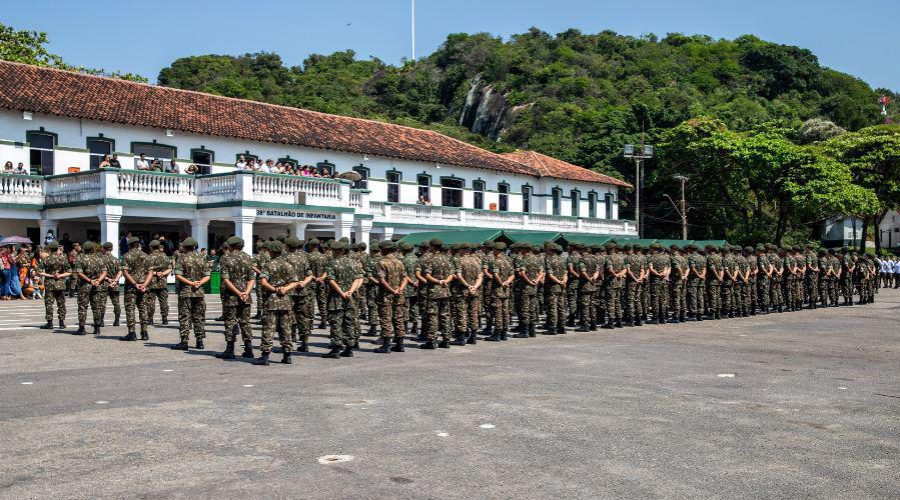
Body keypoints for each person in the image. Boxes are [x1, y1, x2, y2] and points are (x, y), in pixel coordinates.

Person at [252, 240, 298, 365]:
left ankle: (265, 356)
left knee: (268, 329)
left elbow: (263, 282)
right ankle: (287, 355)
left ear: (271, 251)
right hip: (285, 301)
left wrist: (275, 289)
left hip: (272, 301)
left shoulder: (268, 265)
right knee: (286, 329)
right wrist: (285, 289)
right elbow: (295, 282)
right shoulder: (288, 265)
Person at [216, 236, 256, 360]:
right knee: (245, 322)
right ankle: (248, 349)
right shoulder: (248, 258)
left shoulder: (226, 258)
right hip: (245, 295)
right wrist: (246, 292)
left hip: (231, 296)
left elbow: (225, 279)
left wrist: (238, 292)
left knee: (230, 322)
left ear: (231, 246)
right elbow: (252, 278)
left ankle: (230, 350)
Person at [322, 241, 364, 358]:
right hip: (350, 298)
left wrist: (341, 293)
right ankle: (349, 348)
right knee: (349, 322)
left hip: (336, 298)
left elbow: (331, 280)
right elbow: (358, 279)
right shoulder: (354, 263)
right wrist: (350, 291)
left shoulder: (332, 263)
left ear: (337, 251)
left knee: (336, 323)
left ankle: (336, 349)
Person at [171, 237, 210, 351]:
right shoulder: (202, 258)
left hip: (186, 292)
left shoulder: (182, 258)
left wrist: (190, 283)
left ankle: (184, 341)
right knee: (199, 317)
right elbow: (207, 275)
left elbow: (178, 275)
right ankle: (199, 341)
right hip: (199, 292)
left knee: (184, 316)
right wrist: (198, 283)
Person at [73, 241, 107, 336]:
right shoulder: (99, 258)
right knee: (96, 307)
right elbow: (104, 272)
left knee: (83, 307)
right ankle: (97, 328)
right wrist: (98, 281)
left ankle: (82, 328)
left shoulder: (80, 258)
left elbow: (79, 273)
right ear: (92, 248)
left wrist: (89, 280)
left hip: (84, 286)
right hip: (97, 285)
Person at [121, 237, 150, 341]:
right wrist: (144, 284)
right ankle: (144, 332)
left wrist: (135, 284)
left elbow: (125, 272)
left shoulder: (126, 256)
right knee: (143, 308)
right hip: (143, 286)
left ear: (129, 245)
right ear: (138, 245)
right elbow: (150, 273)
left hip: (131, 287)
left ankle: (132, 333)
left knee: (130, 309)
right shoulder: (146, 256)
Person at [37, 241, 69, 329]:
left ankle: (50, 323)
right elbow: (69, 272)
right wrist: (60, 275)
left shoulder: (46, 259)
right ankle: (61, 323)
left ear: (49, 249)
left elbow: (39, 271)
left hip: (49, 284)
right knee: (61, 303)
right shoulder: (63, 259)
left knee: (49, 303)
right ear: (57, 248)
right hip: (60, 284)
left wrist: (51, 275)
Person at [145, 240, 171, 325]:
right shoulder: (165, 256)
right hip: (162, 282)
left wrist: (155, 273)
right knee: (163, 301)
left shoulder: (149, 257)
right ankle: (165, 318)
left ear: (151, 247)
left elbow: (146, 270)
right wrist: (162, 273)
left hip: (151, 282)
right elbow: (170, 268)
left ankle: (150, 319)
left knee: (150, 301)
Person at [99, 242, 121, 327]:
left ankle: (101, 321)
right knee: (116, 303)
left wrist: (108, 279)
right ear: (111, 249)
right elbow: (120, 271)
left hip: (103, 283)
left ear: (104, 249)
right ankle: (117, 320)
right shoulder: (116, 259)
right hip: (114, 284)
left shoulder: (100, 259)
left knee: (102, 303)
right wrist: (115, 281)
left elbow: (100, 273)